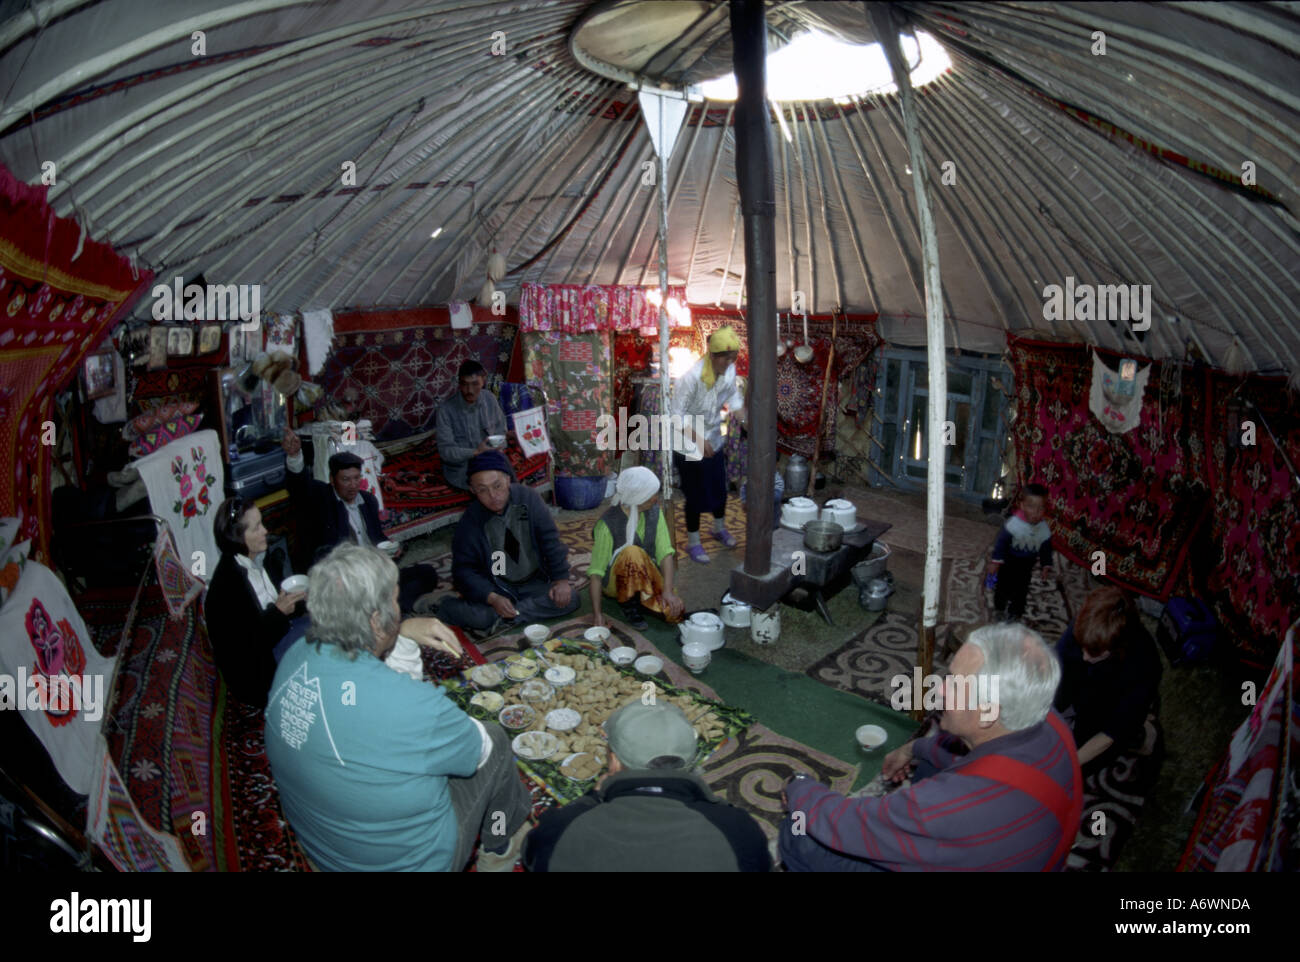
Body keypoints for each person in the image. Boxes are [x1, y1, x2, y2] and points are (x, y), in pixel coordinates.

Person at [263, 544, 534, 872]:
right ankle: (500, 845)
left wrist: (402, 631)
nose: (399, 607)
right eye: (395, 599)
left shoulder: (293, 659)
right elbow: (478, 751)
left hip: (326, 850)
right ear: (376, 622)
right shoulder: (410, 704)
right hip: (413, 862)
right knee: (497, 740)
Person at [780, 623, 1083, 871]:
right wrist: (913, 750)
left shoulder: (953, 806)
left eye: (953, 683)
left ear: (989, 711)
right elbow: (982, 758)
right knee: (931, 760)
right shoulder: (1048, 721)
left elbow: (850, 825)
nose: (937, 688)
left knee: (799, 836)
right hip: (1024, 842)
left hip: (975, 828)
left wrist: (800, 789)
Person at [523, 702, 771, 872]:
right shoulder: (738, 829)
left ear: (614, 760)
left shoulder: (561, 826)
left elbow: (531, 857)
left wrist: (591, 798)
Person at [281, 426, 439, 613]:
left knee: (428, 574)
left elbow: (378, 538)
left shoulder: (368, 500)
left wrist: (393, 549)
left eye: (357, 478)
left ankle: (381, 606)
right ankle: (386, 607)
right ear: (332, 479)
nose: (353, 485)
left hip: (373, 572)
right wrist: (295, 455)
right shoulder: (322, 498)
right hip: (343, 578)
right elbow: (300, 486)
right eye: (346, 480)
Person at [436, 450, 579, 636]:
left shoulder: (529, 499)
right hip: (497, 586)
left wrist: (561, 581)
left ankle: (506, 616)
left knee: (571, 598)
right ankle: (456, 608)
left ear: (507, 479)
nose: (493, 495)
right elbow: (463, 571)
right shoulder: (470, 521)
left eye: (497, 486)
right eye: (482, 490)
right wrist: (492, 597)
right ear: (473, 491)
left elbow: (550, 541)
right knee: (481, 617)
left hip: (533, 581)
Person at [206, 497, 308, 708]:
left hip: (277, 638)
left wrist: (300, 599)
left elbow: (274, 605)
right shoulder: (228, 585)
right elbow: (247, 647)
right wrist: (280, 613)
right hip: (259, 674)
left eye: (261, 523)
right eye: (256, 528)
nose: (265, 531)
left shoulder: (254, 560)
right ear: (237, 538)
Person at [1054, 585, 1163, 772]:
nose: (1085, 657)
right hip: (1086, 685)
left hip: (1111, 699)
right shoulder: (1084, 630)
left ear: (1117, 648)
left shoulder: (1144, 667)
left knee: (1081, 761)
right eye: (1082, 647)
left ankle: (1142, 731)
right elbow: (1054, 668)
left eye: (1094, 653)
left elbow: (1108, 735)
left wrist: (1067, 765)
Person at [671, 327, 746, 564]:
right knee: (695, 494)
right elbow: (676, 416)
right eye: (726, 357)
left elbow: (735, 401)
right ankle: (694, 542)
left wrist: (749, 424)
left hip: (712, 438)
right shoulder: (691, 378)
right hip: (688, 441)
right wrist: (698, 440)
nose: (730, 362)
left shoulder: (729, 370)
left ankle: (719, 528)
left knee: (719, 489)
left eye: (733, 357)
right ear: (712, 355)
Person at [587, 466, 684, 631]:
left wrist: (667, 591)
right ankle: (629, 604)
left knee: (674, 613)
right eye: (652, 494)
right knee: (631, 552)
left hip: (644, 573)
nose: (656, 498)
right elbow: (596, 574)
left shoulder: (654, 512)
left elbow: (665, 554)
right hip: (614, 583)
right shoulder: (608, 524)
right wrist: (597, 613)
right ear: (639, 497)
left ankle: (642, 597)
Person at [986, 482, 1057, 620]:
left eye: (1041, 508)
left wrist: (1045, 565)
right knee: (1003, 587)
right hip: (1009, 561)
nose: (1036, 512)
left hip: (1027, 564)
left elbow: (1046, 548)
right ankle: (999, 609)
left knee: (1021, 590)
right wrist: (996, 562)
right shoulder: (1013, 524)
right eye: (1031, 507)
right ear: (1022, 505)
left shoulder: (1043, 530)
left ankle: (1015, 612)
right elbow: (1001, 543)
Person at [436, 359, 508, 491]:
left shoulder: (490, 399)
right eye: (464, 384)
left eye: (475, 384)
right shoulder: (445, 410)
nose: (469, 390)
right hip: (462, 468)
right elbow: (446, 452)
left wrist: (492, 450)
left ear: (483, 381)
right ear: (459, 383)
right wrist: (476, 452)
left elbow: (501, 433)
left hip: (489, 459)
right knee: (484, 488)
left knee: (507, 482)